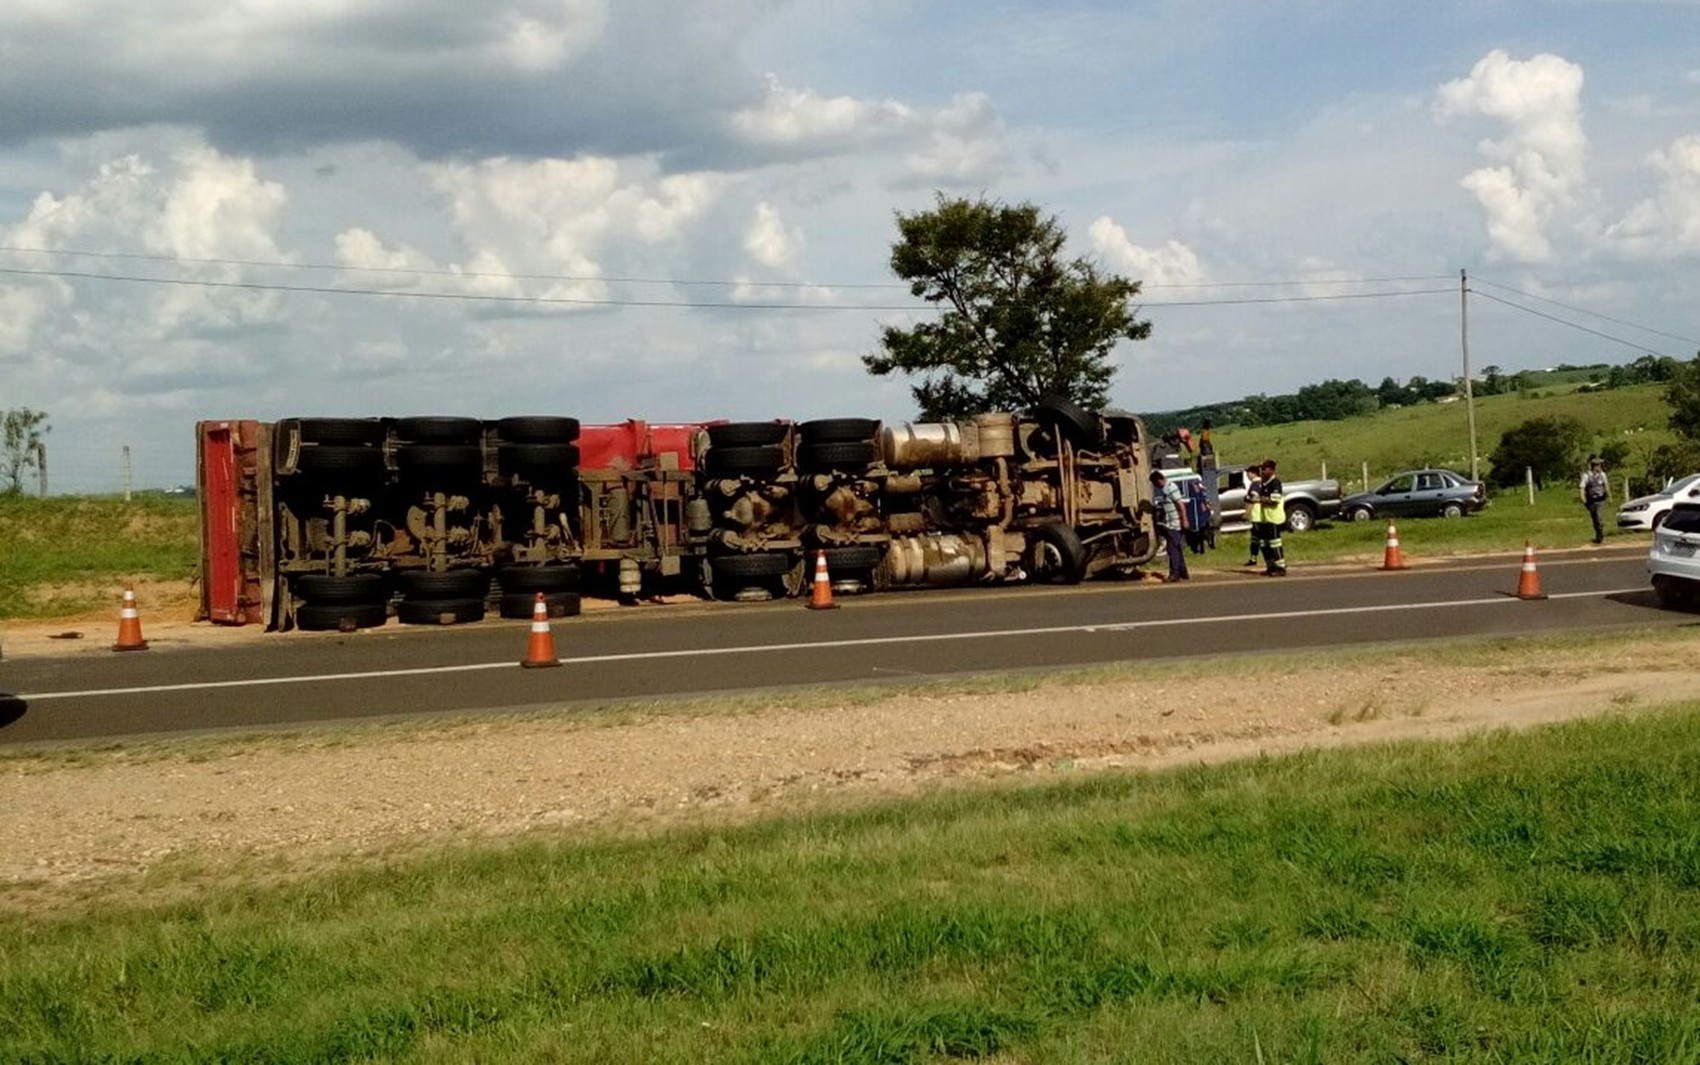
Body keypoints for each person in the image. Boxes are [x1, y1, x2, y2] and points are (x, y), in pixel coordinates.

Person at [1149, 469, 1190, 581]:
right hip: (1171, 523)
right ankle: (1183, 572)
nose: (1157, 486)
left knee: (1172, 549)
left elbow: (1180, 504)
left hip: (1174, 524)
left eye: (1156, 484)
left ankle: (1174, 574)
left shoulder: (1171, 488)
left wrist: (1184, 520)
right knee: (1177, 548)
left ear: (1159, 480)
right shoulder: (1166, 489)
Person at [1256, 458, 1288, 576]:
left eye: (1264, 469)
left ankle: (1281, 567)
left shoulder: (1275, 483)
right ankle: (1270, 566)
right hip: (1265, 518)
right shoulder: (1263, 484)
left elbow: (1274, 500)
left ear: (1271, 470)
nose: (1262, 472)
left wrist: (1260, 499)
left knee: (1275, 543)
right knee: (1264, 544)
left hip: (1274, 518)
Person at [1580, 454, 1610, 544]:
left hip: (1600, 499)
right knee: (1594, 518)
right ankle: (1598, 534)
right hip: (1591, 501)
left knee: (1598, 516)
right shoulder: (1586, 476)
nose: (1599, 467)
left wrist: (1609, 496)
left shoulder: (1603, 475)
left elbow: (1606, 486)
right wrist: (1583, 499)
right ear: (1594, 466)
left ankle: (1600, 534)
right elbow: (1582, 487)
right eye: (1597, 465)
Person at [1184, 476, 1212, 555]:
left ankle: (1201, 548)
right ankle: (1197, 548)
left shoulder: (1199, 490)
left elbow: (1204, 499)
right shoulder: (1192, 489)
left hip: (1201, 513)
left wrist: (1207, 507)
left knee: (1202, 532)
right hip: (1196, 513)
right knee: (1198, 533)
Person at [1242, 465, 1264, 566]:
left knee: (1255, 539)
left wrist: (1247, 513)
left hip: (1256, 514)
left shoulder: (1255, 484)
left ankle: (1253, 559)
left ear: (1252, 473)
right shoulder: (1263, 483)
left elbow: (1254, 498)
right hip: (1263, 515)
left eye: (1248, 474)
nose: (1247, 476)